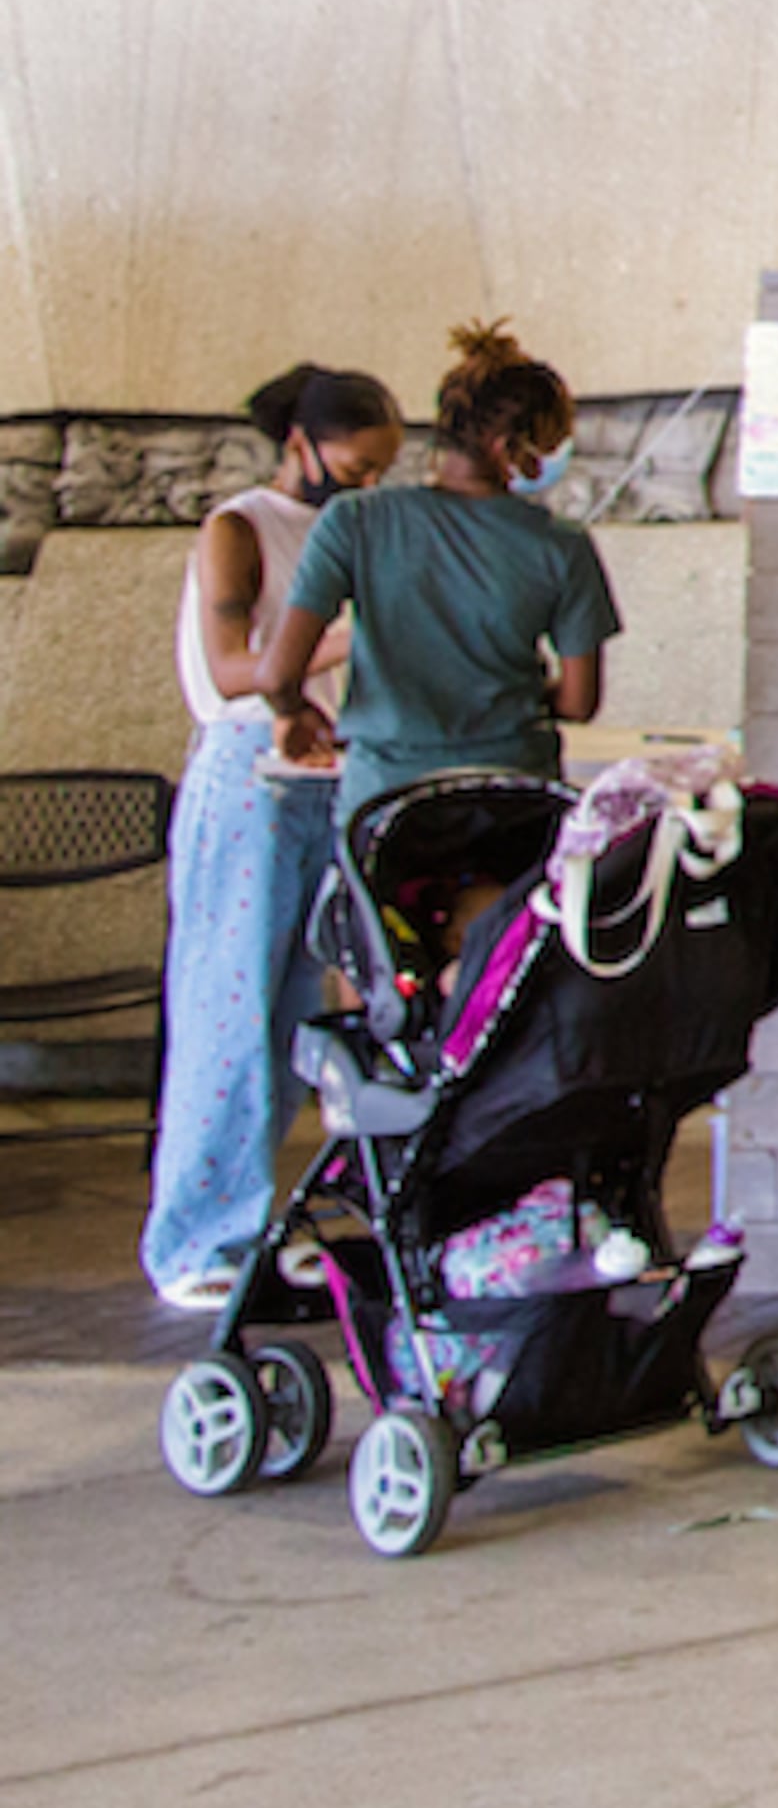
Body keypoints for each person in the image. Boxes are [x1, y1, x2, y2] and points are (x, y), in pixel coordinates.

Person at [141, 364, 403, 1307]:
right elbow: (233, 664)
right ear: (301, 444)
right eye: (355, 461)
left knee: (294, 1014)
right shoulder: (238, 527)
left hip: (321, 777)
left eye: (383, 467)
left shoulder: (348, 527)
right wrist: (348, 634)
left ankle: (250, 1223)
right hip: (249, 777)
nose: (368, 479)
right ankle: (196, 1240)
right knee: (228, 1009)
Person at [258, 320, 618, 822]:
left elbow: (276, 672)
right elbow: (579, 702)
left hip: (384, 806)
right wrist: (498, 700)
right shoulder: (561, 545)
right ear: (504, 445)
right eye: (544, 441)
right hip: (510, 803)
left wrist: (291, 711)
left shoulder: (355, 521)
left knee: (368, 902)